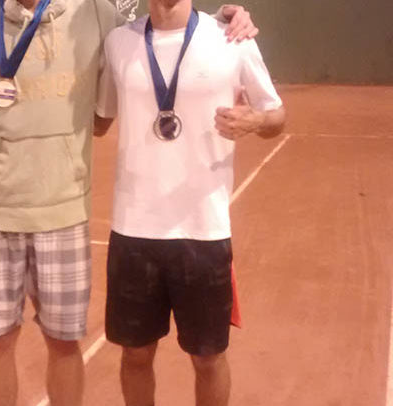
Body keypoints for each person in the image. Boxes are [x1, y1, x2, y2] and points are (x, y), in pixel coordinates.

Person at [0, 0, 258, 405]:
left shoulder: (93, 14)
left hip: (63, 213)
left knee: (64, 341)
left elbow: (161, 24)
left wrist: (220, 22)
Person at [94, 0, 286, 404]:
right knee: (135, 354)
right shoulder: (118, 43)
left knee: (208, 358)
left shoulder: (231, 38)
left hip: (203, 232)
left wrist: (256, 121)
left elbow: (276, 115)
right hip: (133, 231)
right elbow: (99, 118)